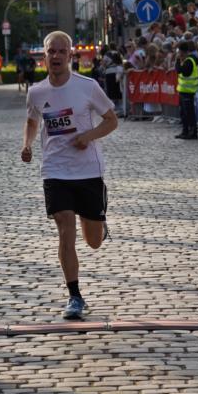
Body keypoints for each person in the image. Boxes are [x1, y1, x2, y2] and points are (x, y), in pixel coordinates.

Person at [21, 31, 118, 321]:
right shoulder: (36, 92)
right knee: (64, 228)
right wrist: (26, 144)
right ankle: (74, 295)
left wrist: (88, 136)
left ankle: (99, 218)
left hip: (88, 170)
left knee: (93, 240)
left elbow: (111, 120)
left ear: (71, 56)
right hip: (55, 169)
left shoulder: (87, 87)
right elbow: (31, 121)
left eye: (62, 51)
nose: (56, 56)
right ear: (45, 56)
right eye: (51, 51)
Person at [174, 41, 198, 140]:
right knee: (183, 113)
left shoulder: (189, 61)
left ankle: (193, 133)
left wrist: (177, 61)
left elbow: (180, 71)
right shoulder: (186, 60)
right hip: (183, 91)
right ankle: (185, 131)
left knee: (189, 113)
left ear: (182, 51)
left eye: (179, 51)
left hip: (188, 91)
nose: (178, 54)